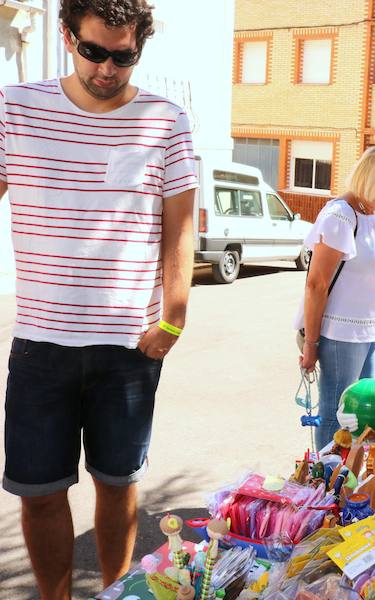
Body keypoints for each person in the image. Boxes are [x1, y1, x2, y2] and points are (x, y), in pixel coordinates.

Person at [0, 1, 197, 596]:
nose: (107, 69)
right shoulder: (15, 109)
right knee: (39, 491)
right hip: (41, 344)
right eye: (94, 52)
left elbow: (181, 228)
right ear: (67, 36)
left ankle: (116, 591)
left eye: (123, 56)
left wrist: (176, 320)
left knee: (118, 483)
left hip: (128, 347)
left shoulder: (166, 119)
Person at [294, 146, 375, 450]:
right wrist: (311, 343)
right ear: (369, 178)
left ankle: (351, 477)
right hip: (342, 332)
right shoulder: (340, 215)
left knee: (367, 413)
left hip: (371, 331)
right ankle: (326, 483)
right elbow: (316, 284)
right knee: (338, 413)